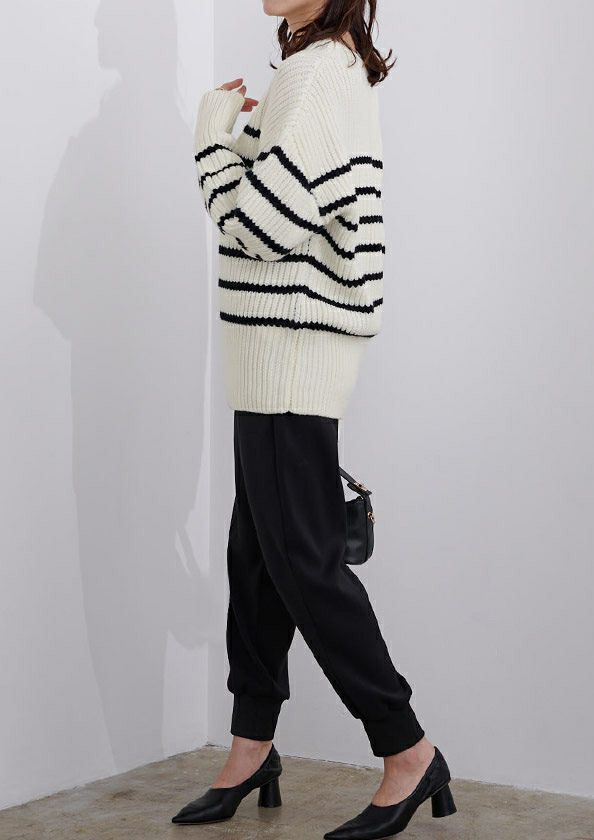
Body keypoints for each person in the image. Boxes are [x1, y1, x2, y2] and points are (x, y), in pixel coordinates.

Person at [172, 2, 457, 837]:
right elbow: (294, 205)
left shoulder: (313, 75)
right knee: (260, 556)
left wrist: (211, 139)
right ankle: (251, 745)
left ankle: (407, 749)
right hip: (279, 349)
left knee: (304, 564)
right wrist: (242, 144)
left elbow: (257, 226)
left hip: (291, 348)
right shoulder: (324, 68)